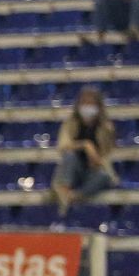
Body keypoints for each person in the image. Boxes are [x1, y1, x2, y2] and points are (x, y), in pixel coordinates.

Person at [52, 86, 117, 216]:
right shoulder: (70, 123)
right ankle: (64, 189)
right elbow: (63, 146)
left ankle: (73, 196)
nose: (87, 107)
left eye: (91, 103)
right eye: (84, 103)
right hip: (74, 168)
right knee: (70, 157)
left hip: (94, 169)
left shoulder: (106, 128)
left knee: (104, 177)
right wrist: (85, 145)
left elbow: (108, 153)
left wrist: (97, 160)